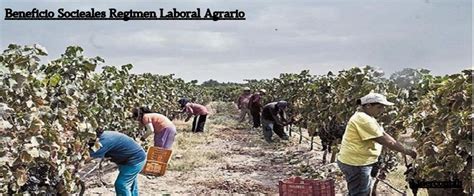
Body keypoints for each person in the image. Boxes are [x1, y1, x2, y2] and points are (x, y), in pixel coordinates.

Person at [337, 93, 417, 196]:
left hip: (355, 161)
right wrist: (407, 151)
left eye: (383, 107)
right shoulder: (363, 119)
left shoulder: (367, 117)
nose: (382, 111)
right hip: (357, 163)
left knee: (356, 191)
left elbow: (383, 134)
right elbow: (386, 141)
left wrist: (402, 147)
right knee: (361, 193)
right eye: (379, 107)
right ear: (368, 105)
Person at [88, 130, 146, 196]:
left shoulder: (103, 141)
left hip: (135, 159)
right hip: (128, 158)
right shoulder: (105, 135)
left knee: (121, 185)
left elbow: (88, 157)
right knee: (131, 184)